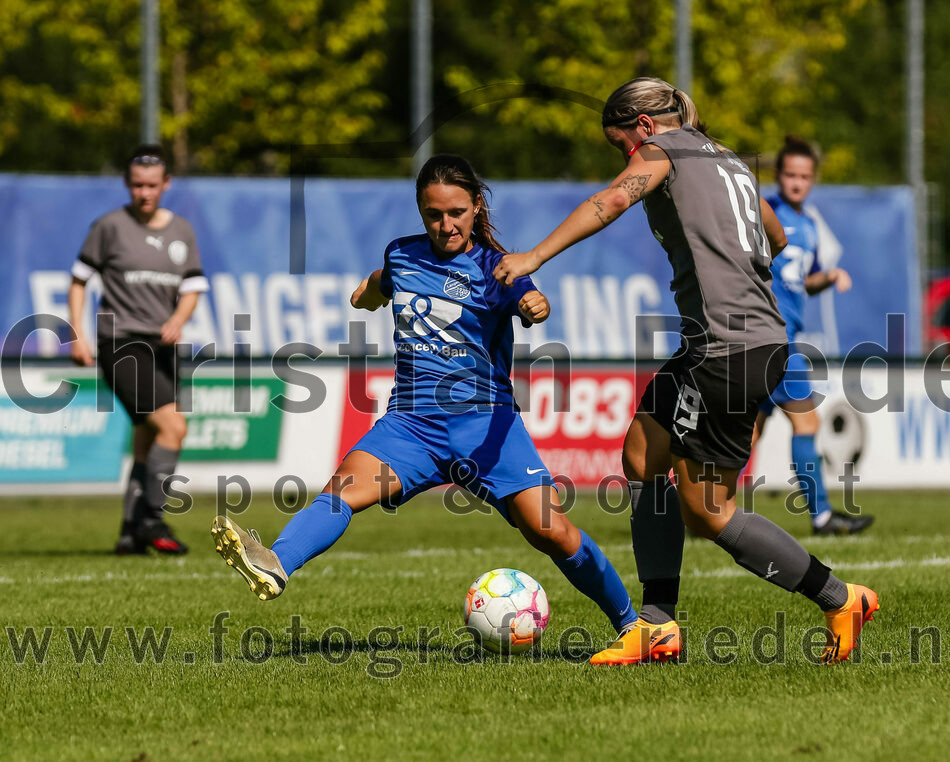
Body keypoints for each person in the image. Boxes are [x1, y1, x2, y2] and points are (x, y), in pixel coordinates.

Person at [493, 77, 878, 665]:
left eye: (622, 145)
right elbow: (776, 236)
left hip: (726, 346)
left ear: (644, 127)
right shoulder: (730, 160)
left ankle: (839, 597)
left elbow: (611, 200)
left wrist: (533, 257)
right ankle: (657, 624)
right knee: (642, 457)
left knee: (708, 511)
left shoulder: (662, 149)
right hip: (734, 338)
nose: (628, 159)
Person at [211, 154, 639, 640]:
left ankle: (631, 623)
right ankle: (276, 562)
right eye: (434, 214)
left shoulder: (499, 269)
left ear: (477, 207)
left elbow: (526, 299)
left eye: (456, 212)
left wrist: (533, 304)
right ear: (420, 211)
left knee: (551, 532)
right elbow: (384, 282)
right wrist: (367, 294)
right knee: (341, 493)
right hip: (411, 425)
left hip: (486, 428)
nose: (445, 224)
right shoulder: (402, 254)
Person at [69, 144, 208, 555]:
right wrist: (77, 333)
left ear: (166, 184)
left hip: (163, 347)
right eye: (136, 185)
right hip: (121, 343)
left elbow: (193, 288)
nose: (143, 193)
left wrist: (179, 319)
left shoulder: (181, 230)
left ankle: (130, 531)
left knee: (147, 436)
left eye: (151, 185)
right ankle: (152, 519)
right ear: (127, 184)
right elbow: (79, 282)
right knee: (173, 427)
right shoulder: (108, 226)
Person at [752, 136, 874, 535]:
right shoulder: (764, 214)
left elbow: (803, 280)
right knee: (807, 424)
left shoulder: (808, 225)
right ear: (778, 176)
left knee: (748, 432)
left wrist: (830, 276)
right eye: (790, 174)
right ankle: (821, 516)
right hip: (775, 338)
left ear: (813, 179)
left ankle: (701, 508)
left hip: (773, 339)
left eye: (804, 176)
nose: (797, 182)